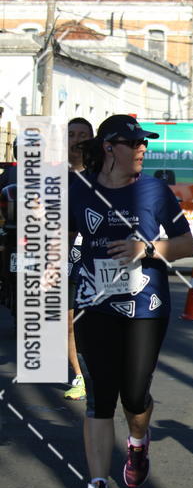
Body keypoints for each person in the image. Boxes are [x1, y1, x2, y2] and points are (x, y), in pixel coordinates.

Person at [69, 115, 193, 488]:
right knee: (99, 397)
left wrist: (148, 249)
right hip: (95, 304)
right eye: (133, 142)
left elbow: (187, 244)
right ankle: (98, 486)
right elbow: (57, 241)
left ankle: (138, 444)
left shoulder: (155, 190)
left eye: (145, 143)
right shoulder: (78, 190)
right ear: (108, 147)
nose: (143, 148)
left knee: (134, 394)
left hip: (145, 306)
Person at [64, 118, 95, 401]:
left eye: (82, 134)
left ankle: (101, 370)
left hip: (97, 257)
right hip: (63, 255)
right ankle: (80, 375)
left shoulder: (101, 174)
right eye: (71, 134)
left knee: (96, 319)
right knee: (69, 319)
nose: (76, 139)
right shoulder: (52, 175)